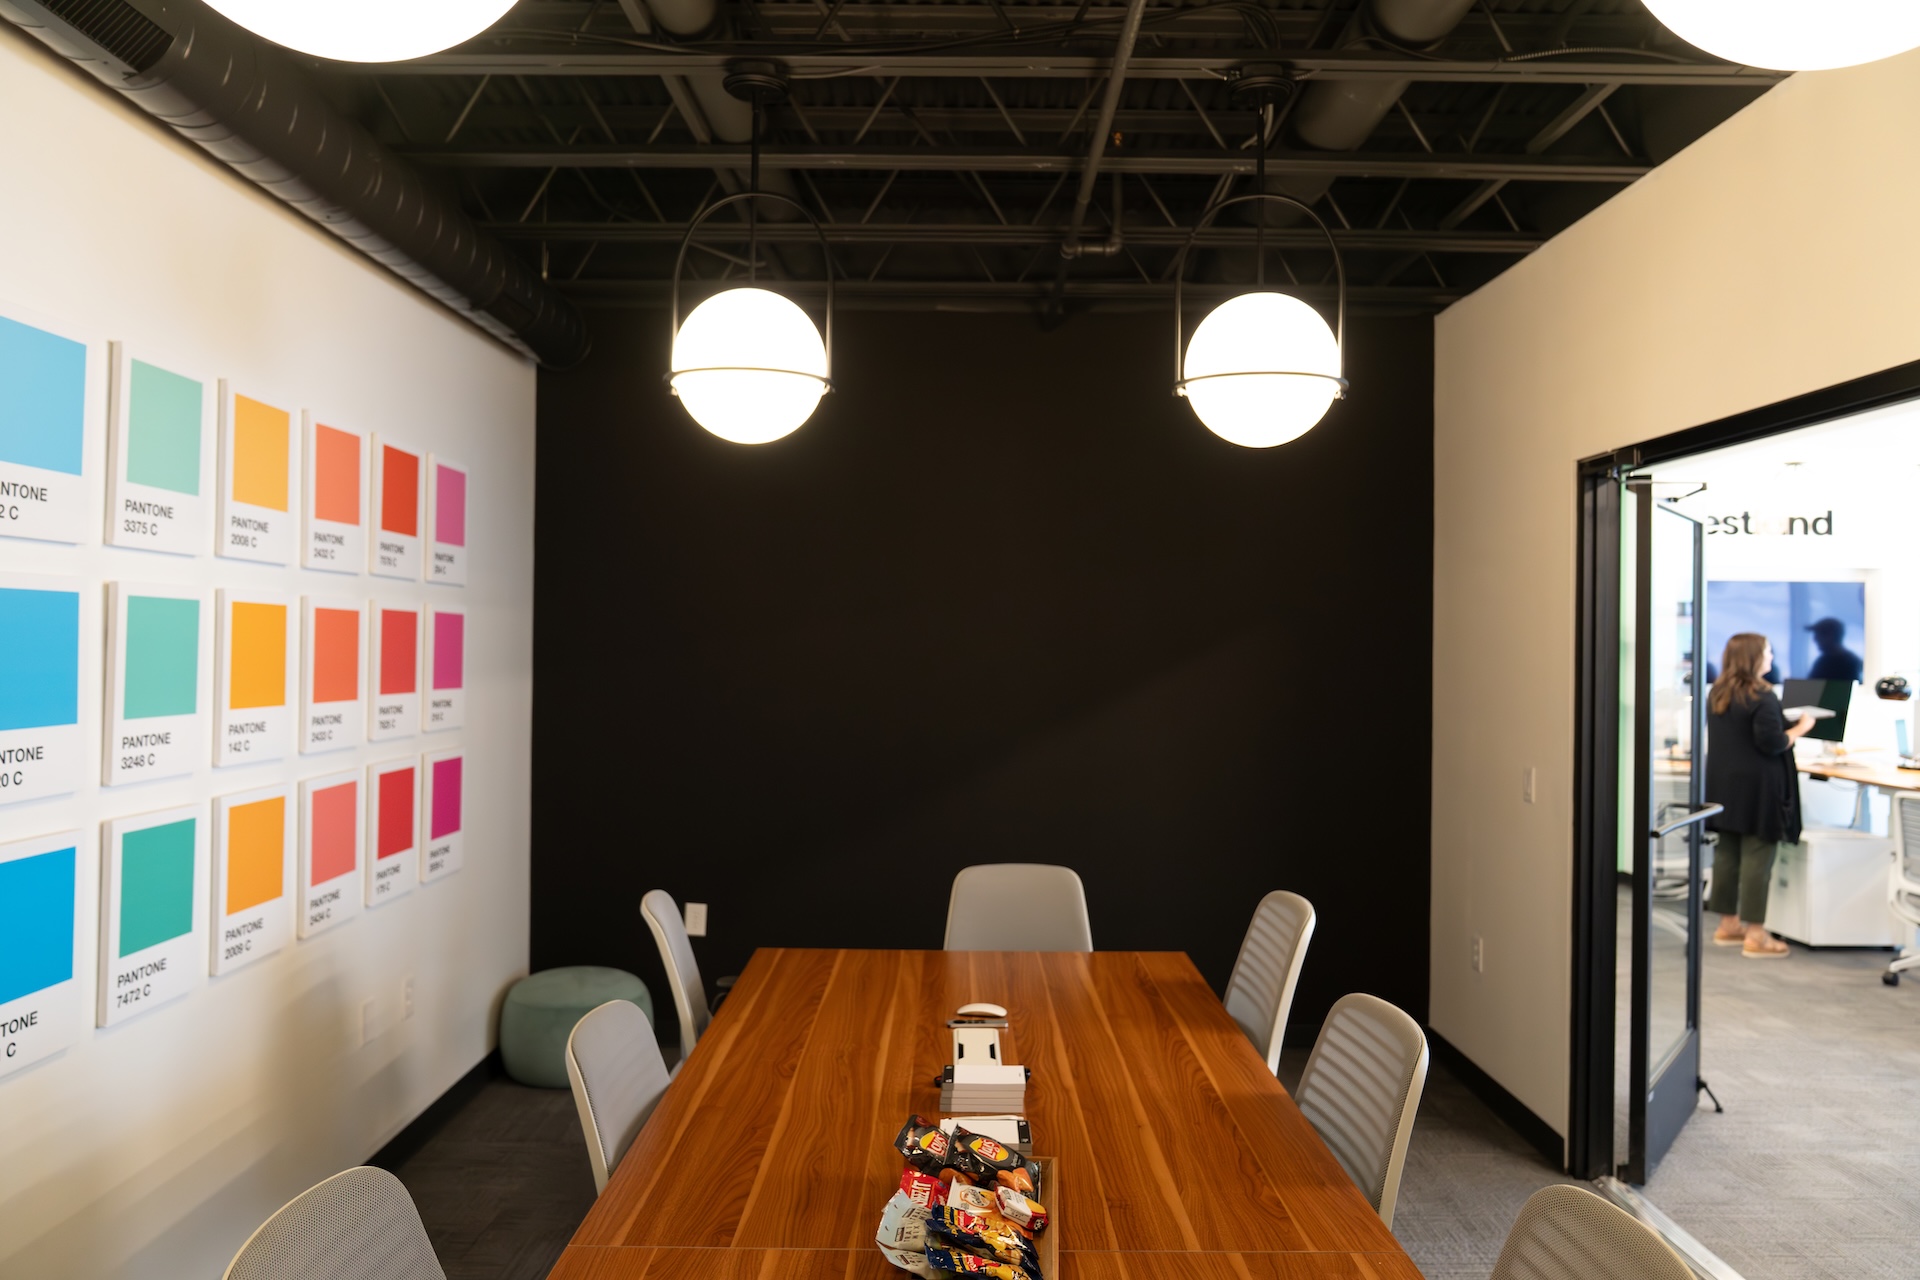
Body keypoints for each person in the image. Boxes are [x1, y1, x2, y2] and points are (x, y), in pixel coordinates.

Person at [1705, 633, 1816, 958]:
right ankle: (1756, 935)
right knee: (1757, 858)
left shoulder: (1718, 691)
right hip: (1758, 789)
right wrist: (1801, 728)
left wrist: (1783, 720)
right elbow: (1771, 742)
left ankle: (1728, 925)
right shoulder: (1762, 694)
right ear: (1753, 657)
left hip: (1724, 786)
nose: (1771, 656)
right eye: (1767, 651)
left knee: (1727, 854)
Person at [1805, 617, 1863, 683]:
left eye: (1819, 634)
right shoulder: (1823, 661)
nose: (1815, 639)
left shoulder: (1848, 662)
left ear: (1831, 636)